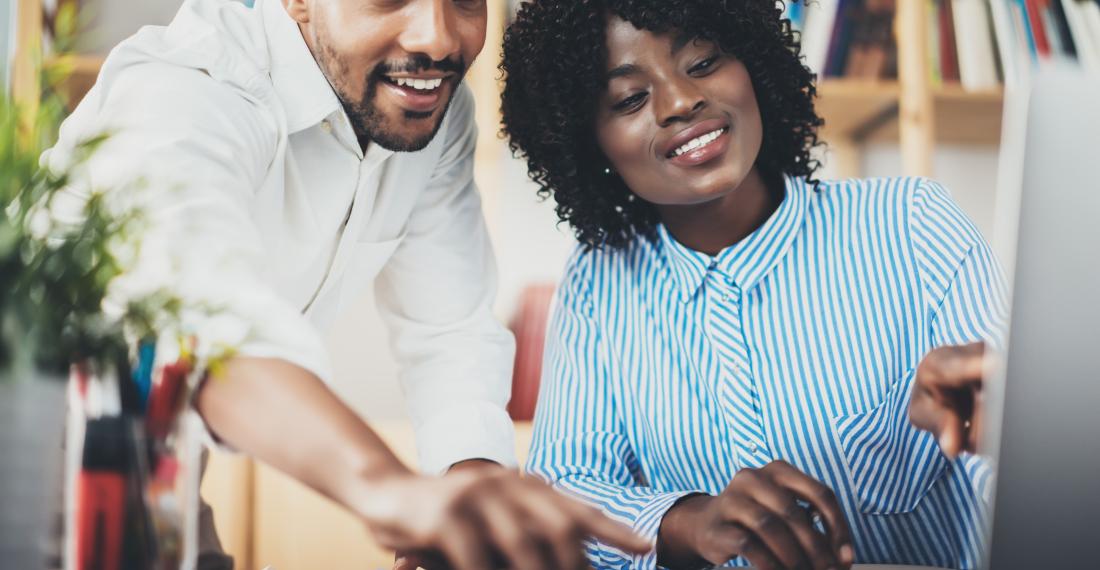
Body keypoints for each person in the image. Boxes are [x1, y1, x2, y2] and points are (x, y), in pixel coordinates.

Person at [44, 0, 648, 568]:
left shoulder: (434, 111)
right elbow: (198, 319)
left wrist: (473, 481)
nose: (436, 37)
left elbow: (448, 327)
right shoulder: (189, 90)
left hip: (157, 474)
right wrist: (392, 493)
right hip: (31, 472)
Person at [500, 1, 1006, 569]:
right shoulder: (598, 283)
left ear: (754, 64)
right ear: (589, 144)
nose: (679, 101)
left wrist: (1000, 414)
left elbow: (1025, 445)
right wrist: (684, 522)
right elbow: (564, 489)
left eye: (704, 61)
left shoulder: (911, 224)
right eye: (630, 99)